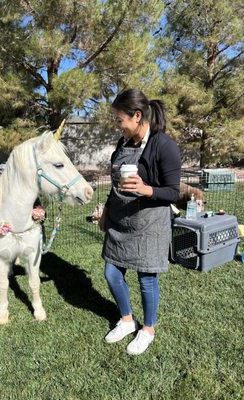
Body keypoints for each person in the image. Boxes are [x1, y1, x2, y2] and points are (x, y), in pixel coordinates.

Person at [99, 88, 181, 355]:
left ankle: (147, 329)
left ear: (137, 116)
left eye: (119, 119)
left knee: (147, 279)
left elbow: (173, 191)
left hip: (149, 224)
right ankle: (126, 319)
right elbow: (115, 185)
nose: (117, 125)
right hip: (120, 222)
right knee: (111, 273)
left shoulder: (164, 145)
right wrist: (107, 209)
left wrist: (147, 189)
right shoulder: (123, 144)